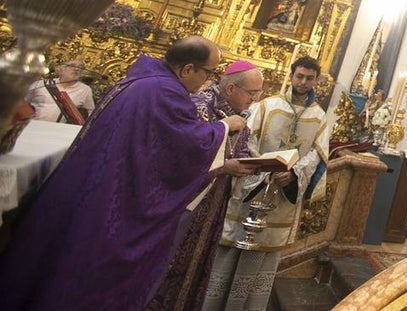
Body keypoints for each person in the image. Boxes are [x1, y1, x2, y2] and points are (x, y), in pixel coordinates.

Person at [0, 36, 242, 310]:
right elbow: (184, 145)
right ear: (188, 69)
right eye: (210, 73)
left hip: (93, 184)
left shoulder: (144, 81)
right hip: (111, 200)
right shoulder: (166, 93)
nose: (210, 80)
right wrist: (224, 127)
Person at [204, 55, 330, 311]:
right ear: (291, 75)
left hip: (282, 198)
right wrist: (263, 169)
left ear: (317, 81)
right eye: (299, 76)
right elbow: (245, 142)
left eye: (309, 78)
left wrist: (292, 174)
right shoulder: (267, 105)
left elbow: (317, 154)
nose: (303, 82)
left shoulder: (319, 117)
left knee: (264, 256)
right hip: (252, 189)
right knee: (231, 251)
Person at [146, 60, 266, 311]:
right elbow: (179, 156)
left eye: (259, 94)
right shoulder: (199, 106)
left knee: (192, 267)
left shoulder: (239, 115)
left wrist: (254, 166)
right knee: (164, 267)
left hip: (212, 204)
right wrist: (225, 167)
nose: (255, 100)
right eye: (252, 93)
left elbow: (239, 151)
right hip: (183, 203)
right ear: (231, 89)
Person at [24, 57, 95, 122]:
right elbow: (22, 102)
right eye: (72, 66)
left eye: (81, 67)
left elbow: (91, 113)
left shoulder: (85, 90)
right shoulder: (41, 84)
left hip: (60, 130)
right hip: (32, 125)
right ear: (61, 70)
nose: (77, 69)